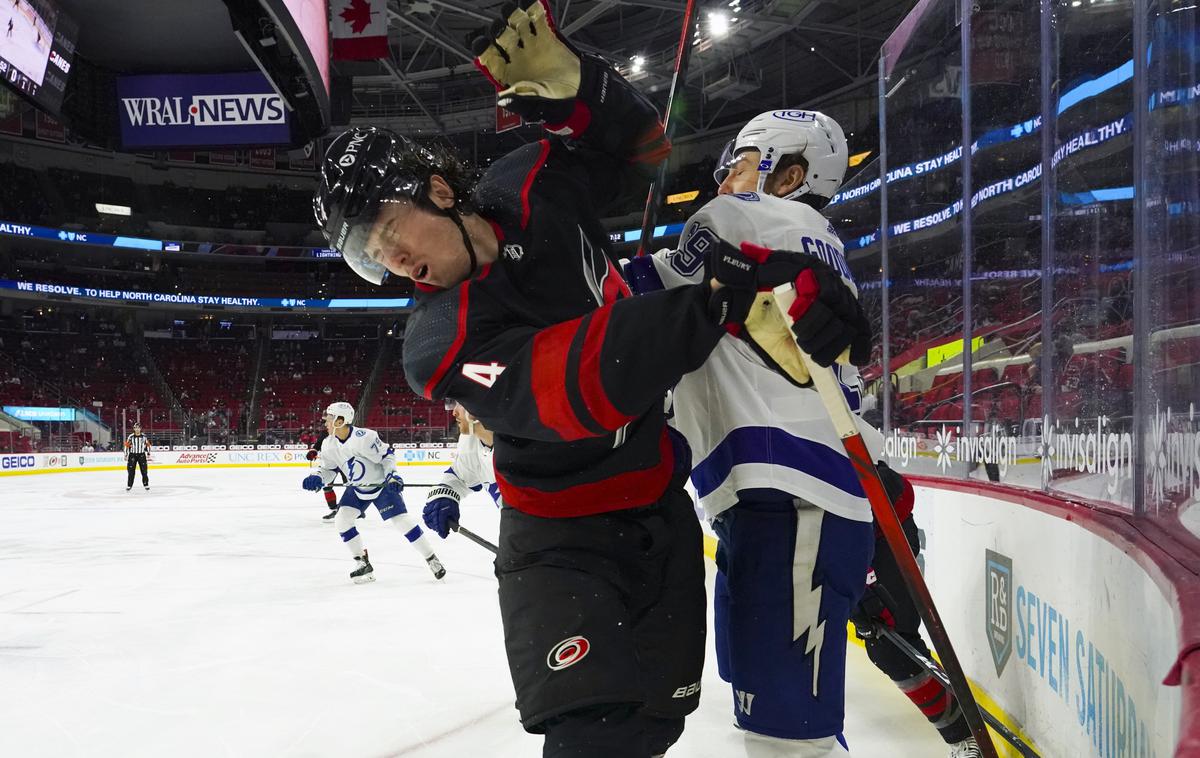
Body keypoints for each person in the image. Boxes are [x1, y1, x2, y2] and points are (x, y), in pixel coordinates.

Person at [313, 3, 871, 754]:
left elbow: (641, 153)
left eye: (386, 234)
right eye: (370, 255)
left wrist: (583, 91)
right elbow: (575, 386)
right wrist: (708, 306)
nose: (390, 263)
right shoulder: (437, 340)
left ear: (436, 192)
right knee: (591, 740)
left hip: (658, 515)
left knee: (651, 726)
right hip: (559, 545)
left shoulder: (532, 180)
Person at [623, 109, 890, 757]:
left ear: (790, 174)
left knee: (789, 741)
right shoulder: (818, 239)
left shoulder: (745, 218)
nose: (723, 178)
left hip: (791, 497)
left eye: (739, 162)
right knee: (778, 727)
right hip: (793, 497)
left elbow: (628, 291)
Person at [850, 472, 981, 758]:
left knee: (890, 643)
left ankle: (963, 735)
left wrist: (860, 585)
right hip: (841, 522)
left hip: (879, 523)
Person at [302, 401, 445, 583]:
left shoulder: (364, 438)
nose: (325, 423)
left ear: (340, 420)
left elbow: (387, 455)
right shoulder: (329, 444)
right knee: (342, 520)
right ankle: (362, 562)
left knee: (402, 522)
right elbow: (329, 469)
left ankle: (431, 558)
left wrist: (392, 476)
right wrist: (318, 477)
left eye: (329, 419)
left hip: (381, 486)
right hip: (357, 487)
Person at [423, 402, 500, 532]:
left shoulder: (531, 442)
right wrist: (444, 495)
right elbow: (460, 476)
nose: (453, 412)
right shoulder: (469, 440)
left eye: (460, 403)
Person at [124, 423, 151, 491]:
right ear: (134, 429)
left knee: (144, 471)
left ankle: (146, 484)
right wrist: (126, 454)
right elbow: (126, 446)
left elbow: (148, 445)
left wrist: (148, 453)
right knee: (131, 471)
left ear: (140, 428)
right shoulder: (131, 437)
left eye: (138, 428)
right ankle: (129, 485)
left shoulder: (144, 436)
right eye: (135, 428)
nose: (137, 429)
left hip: (141, 455)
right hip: (132, 455)